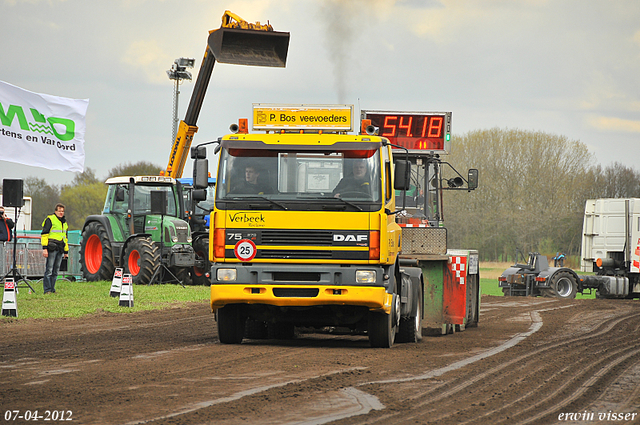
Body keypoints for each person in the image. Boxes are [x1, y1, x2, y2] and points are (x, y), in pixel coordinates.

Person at [41, 203, 69, 294]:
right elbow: (44, 234)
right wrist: (44, 248)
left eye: (62, 211)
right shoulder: (50, 219)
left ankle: (52, 289)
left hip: (60, 248)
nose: (61, 213)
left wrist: (66, 251)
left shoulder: (64, 223)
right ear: (55, 211)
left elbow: (65, 237)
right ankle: (47, 290)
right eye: (59, 211)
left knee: (56, 270)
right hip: (52, 247)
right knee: (49, 269)